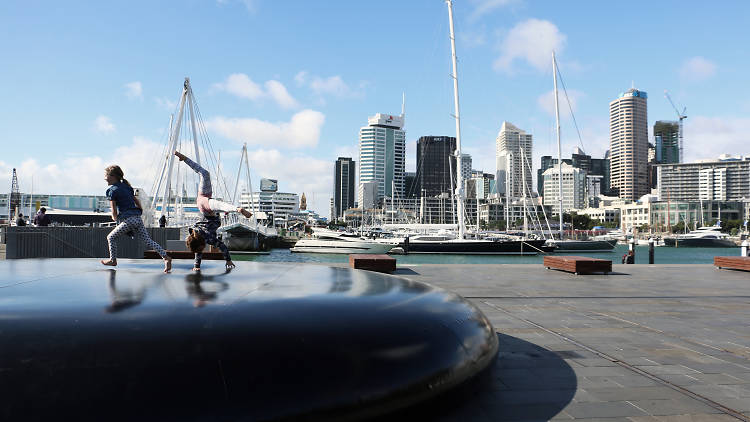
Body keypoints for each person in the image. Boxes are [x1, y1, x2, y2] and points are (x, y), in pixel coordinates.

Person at [174, 150, 252, 271]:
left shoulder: (208, 240)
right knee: (205, 175)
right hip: (203, 201)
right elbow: (197, 249)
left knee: (219, 203)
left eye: (201, 248)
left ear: (201, 245)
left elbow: (222, 247)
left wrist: (228, 260)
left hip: (207, 211)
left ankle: (237, 209)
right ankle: (184, 159)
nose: (201, 250)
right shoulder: (193, 234)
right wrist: (196, 266)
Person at [100, 165, 172, 273]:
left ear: (112, 176)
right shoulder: (127, 187)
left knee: (111, 237)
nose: (104, 178)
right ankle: (166, 257)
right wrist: (140, 210)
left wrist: (115, 218)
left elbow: (114, 210)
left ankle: (113, 260)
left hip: (128, 220)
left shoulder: (112, 191)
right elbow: (136, 201)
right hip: (137, 218)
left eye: (106, 175)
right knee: (148, 241)